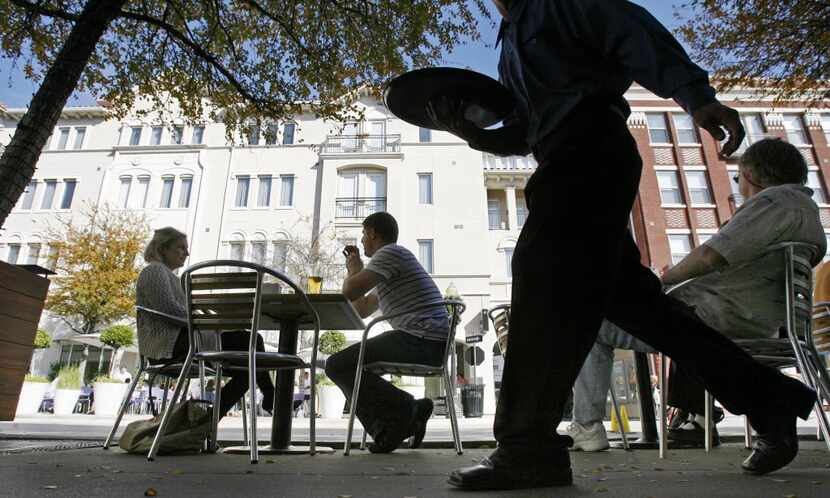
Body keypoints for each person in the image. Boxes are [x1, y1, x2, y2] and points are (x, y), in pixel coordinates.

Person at [428, 0, 817, 490]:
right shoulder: (508, 47)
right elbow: (526, 131)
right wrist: (468, 132)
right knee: (641, 308)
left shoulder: (557, 6)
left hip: (590, 150)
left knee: (540, 273)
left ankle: (529, 448)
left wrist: (696, 97)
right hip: (561, 157)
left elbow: (628, 29)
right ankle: (768, 399)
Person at [569, 138, 826, 450]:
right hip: (747, 316)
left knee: (590, 323)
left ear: (751, 175)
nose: (739, 186)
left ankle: (586, 426)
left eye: (737, 178)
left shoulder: (774, 203)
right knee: (647, 314)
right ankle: (716, 414)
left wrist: (664, 279)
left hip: (720, 316)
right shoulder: (805, 211)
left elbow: (709, 257)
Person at [324, 212, 448, 453]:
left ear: (372, 233)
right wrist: (357, 270)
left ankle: (401, 416)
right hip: (425, 342)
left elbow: (349, 292)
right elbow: (362, 309)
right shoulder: (389, 267)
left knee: (337, 365)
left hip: (422, 341)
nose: (361, 240)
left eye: (363, 234)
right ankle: (400, 419)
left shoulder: (390, 253)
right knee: (345, 365)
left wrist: (354, 269)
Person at [136, 227, 276, 421]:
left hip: (186, 343)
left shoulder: (169, 275)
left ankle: (208, 423)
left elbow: (177, 312)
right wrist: (207, 324)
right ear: (163, 249)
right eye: (180, 247)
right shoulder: (155, 271)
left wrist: (207, 323)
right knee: (249, 342)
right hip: (170, 347)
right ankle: (270, 394)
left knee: (248, 367)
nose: (187, 252)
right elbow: (168, 310)